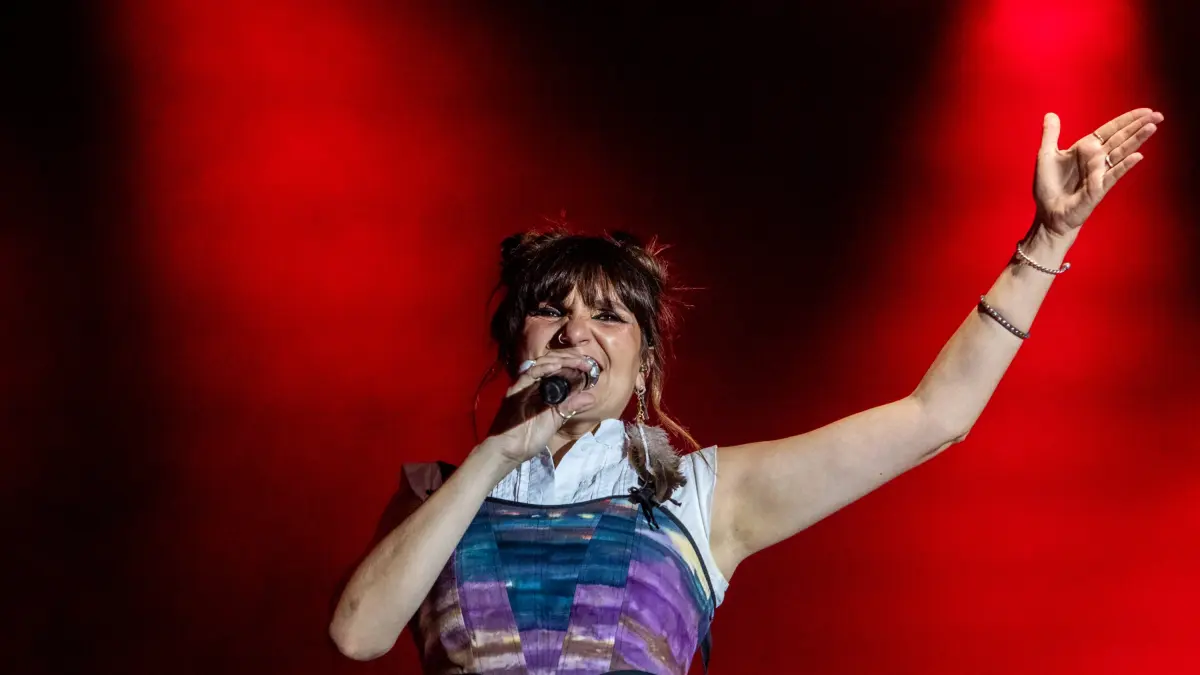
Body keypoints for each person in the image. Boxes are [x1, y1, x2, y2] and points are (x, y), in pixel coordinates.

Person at [329, 108, 1163, 674]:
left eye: (609, 316)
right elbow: (357, 633)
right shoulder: (435, 497)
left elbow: (933, 416)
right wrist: (498, 454)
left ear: (643, 366)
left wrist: (1046, 240)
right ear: (515, 339)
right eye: (552, 309)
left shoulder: (699, 498)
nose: (576, 330)